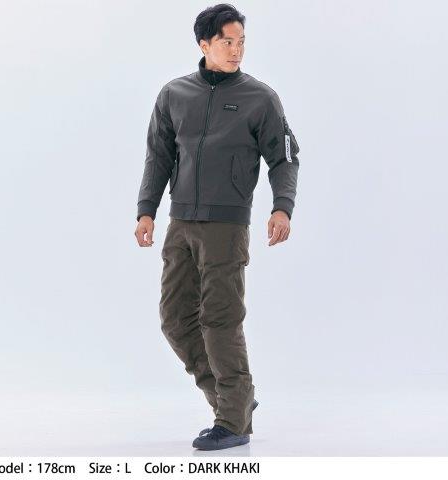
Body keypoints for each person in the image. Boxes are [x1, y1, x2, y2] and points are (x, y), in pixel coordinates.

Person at [134, 3, 300, 451]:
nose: (236, 50)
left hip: (227, 226)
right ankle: (236, 398)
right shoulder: (174, 94)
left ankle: (233, 420)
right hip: (181, 224)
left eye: (241, 41)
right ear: (204, 44)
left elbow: (284, 157)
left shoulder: (260, 98)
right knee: (175, 320)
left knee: (220, 320)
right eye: (227, 41)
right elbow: (158, 156)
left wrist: (282, 207)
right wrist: (147, 210)